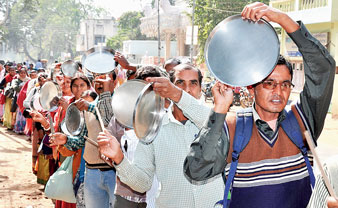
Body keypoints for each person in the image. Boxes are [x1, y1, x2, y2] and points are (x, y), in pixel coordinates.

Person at [181, 2, 335, 208]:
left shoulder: (303, 120)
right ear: (252, 88)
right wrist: (219, 110)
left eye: (285, 84)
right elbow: (196, 170)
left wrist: (282, 19)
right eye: (269, 84)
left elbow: (323, 68)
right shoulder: (231, 127)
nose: (278, 92)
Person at [97, 64, 224, 208]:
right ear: (168, 87)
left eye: (193, 83)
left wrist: (178, 95)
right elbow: (143, 183)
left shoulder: (213, 118)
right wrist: (119, 159)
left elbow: (215, 127)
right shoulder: (152, 128)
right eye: (180, 83)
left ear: (201, 89)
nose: (187, 89)